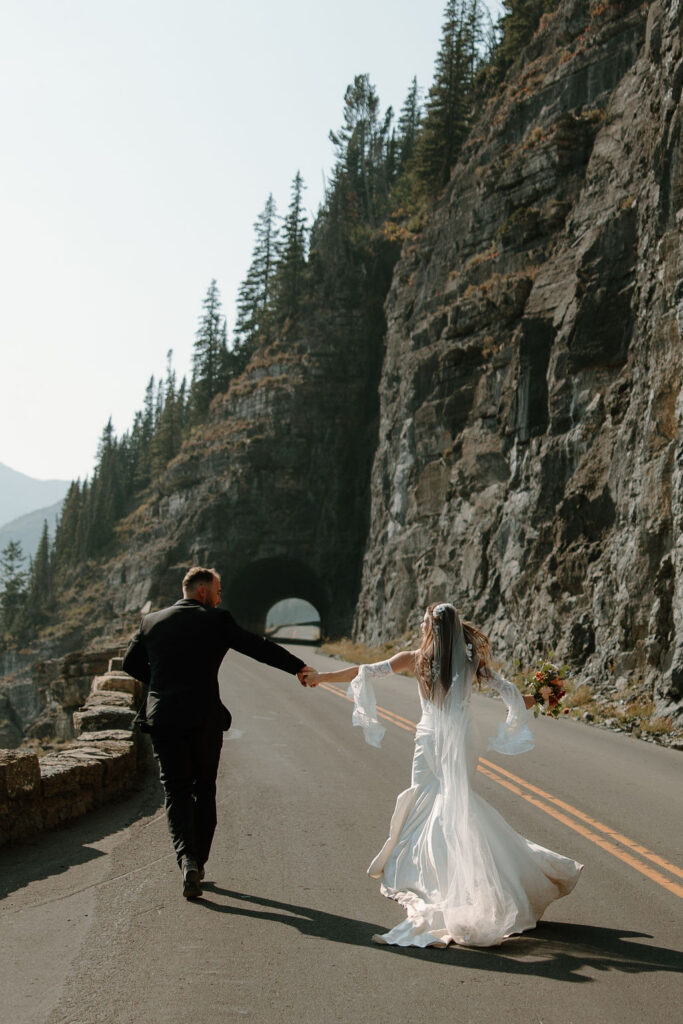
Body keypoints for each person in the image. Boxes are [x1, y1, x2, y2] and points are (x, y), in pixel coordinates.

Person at [302, 602, 582, 947]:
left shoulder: (414, 658)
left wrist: (322, 677)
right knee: (457, 805)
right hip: (463, 737)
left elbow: (363, 671)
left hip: (430, 738)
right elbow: (508, 692)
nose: (421, 626)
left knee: (425, 801)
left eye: (424, 622)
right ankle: (478, 876)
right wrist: (543, 698)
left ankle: (435, 877)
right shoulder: (471, 662)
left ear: (432, 629)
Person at [122, 565, 314, 899]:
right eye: (218, 590)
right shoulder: (216, 620)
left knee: (176, 791)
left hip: (163, 719)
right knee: (204, 788)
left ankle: (186, 859)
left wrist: (160, 685)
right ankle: (198, 859)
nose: (220, 596)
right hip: (203, 719)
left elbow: (130, 664)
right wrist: (298, 666)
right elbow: (259, 647)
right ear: (202, 592)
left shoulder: (150, 622)